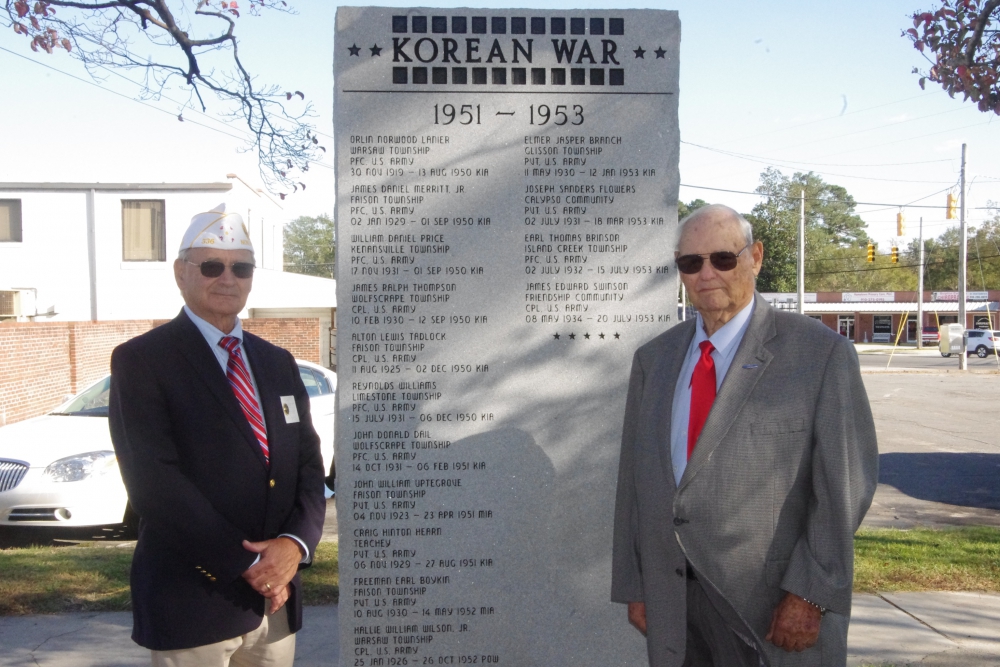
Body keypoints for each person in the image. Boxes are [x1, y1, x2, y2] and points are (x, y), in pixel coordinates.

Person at [611, 204, 878, 666]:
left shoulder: (819, 355)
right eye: (690, 263)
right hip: (674, 602)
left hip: (770, 605)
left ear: (754, 257)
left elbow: (845, 488)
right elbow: (634, 485)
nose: (706, 273)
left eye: (723, 258)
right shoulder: (654, 360)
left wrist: (810, 594)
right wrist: (637, 584)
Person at [109, 203, 327, 666]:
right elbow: (154, 482)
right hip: (194, 599)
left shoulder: (277, 362)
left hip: (276, 601)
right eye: (211, 266)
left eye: (241, 267)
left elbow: (307, 465)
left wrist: (295, 547)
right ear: (180, 273)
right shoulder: (144, 361)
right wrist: (251, 565)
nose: (227, 278)